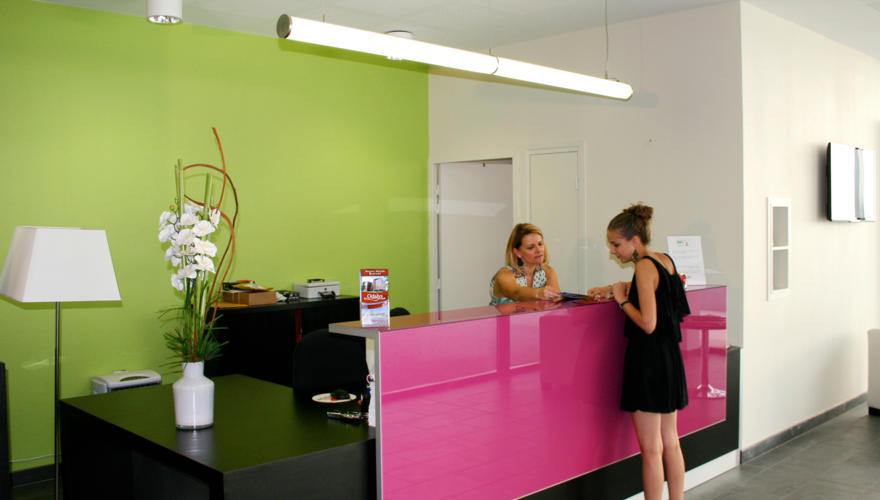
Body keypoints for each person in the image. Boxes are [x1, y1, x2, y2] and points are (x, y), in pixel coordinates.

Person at [587, 203, 690, 500]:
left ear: (634, 240)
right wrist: (615, 288)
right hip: (669, 359)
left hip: (648, 363)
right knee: (671, 442)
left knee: (651, 450)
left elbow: (648, 322)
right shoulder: (664, 260)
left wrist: (621, 300)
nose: (613, 251)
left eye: (616, 244)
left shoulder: (643, 266)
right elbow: (651, 290)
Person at [489, 223, 561, 305]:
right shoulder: (504, 275)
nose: (539, 250)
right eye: (531, 247)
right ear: (518, 252)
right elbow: (516, 293)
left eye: (540, 244)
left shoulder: (548, 271)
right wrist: (538, 293)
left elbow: (555, 299)